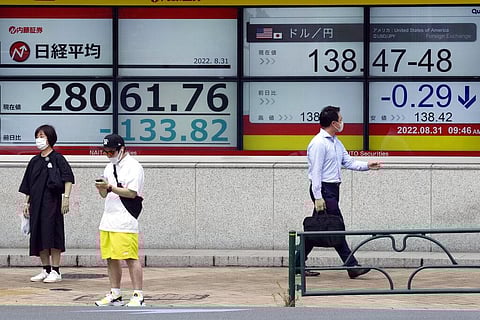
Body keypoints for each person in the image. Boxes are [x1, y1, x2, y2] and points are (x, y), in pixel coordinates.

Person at [301, 106, 381, 278]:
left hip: (332, 189)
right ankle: (351, 265)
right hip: (323, 189)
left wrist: (367, 165)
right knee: (335, 226)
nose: (343, 122)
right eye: (341, 119)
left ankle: (297, 262)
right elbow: (316, 172)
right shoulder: (318, 144)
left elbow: (349, 162)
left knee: (318, 227)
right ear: (334, 123)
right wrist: (318, 197)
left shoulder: (336, 142)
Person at [94, 134, 145, 307]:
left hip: (125, 218)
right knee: (110, 257)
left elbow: (132, 193)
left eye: (111, 151)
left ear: (121, 149)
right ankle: (115, 293)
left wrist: (110, 187)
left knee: (130, 257)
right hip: (108, 218)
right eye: (105, 152)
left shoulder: (133, 166)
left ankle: (138, 294)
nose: (109, 155)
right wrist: (102, 188)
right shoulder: (109, 167)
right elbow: (104, 194)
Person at [19, 124, 75, 283]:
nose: (39, 139)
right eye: (37, 136)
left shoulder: (58, 159)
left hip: (53, 203)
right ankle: (45, 269)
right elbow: (28, 185)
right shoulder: (34, 161)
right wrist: (26, 203)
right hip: (36, 204)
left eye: (42, 136)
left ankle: (56, 271)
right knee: (39, 235)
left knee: (53, 235)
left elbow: (68, 178)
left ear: (50, 138)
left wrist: (66, 198)